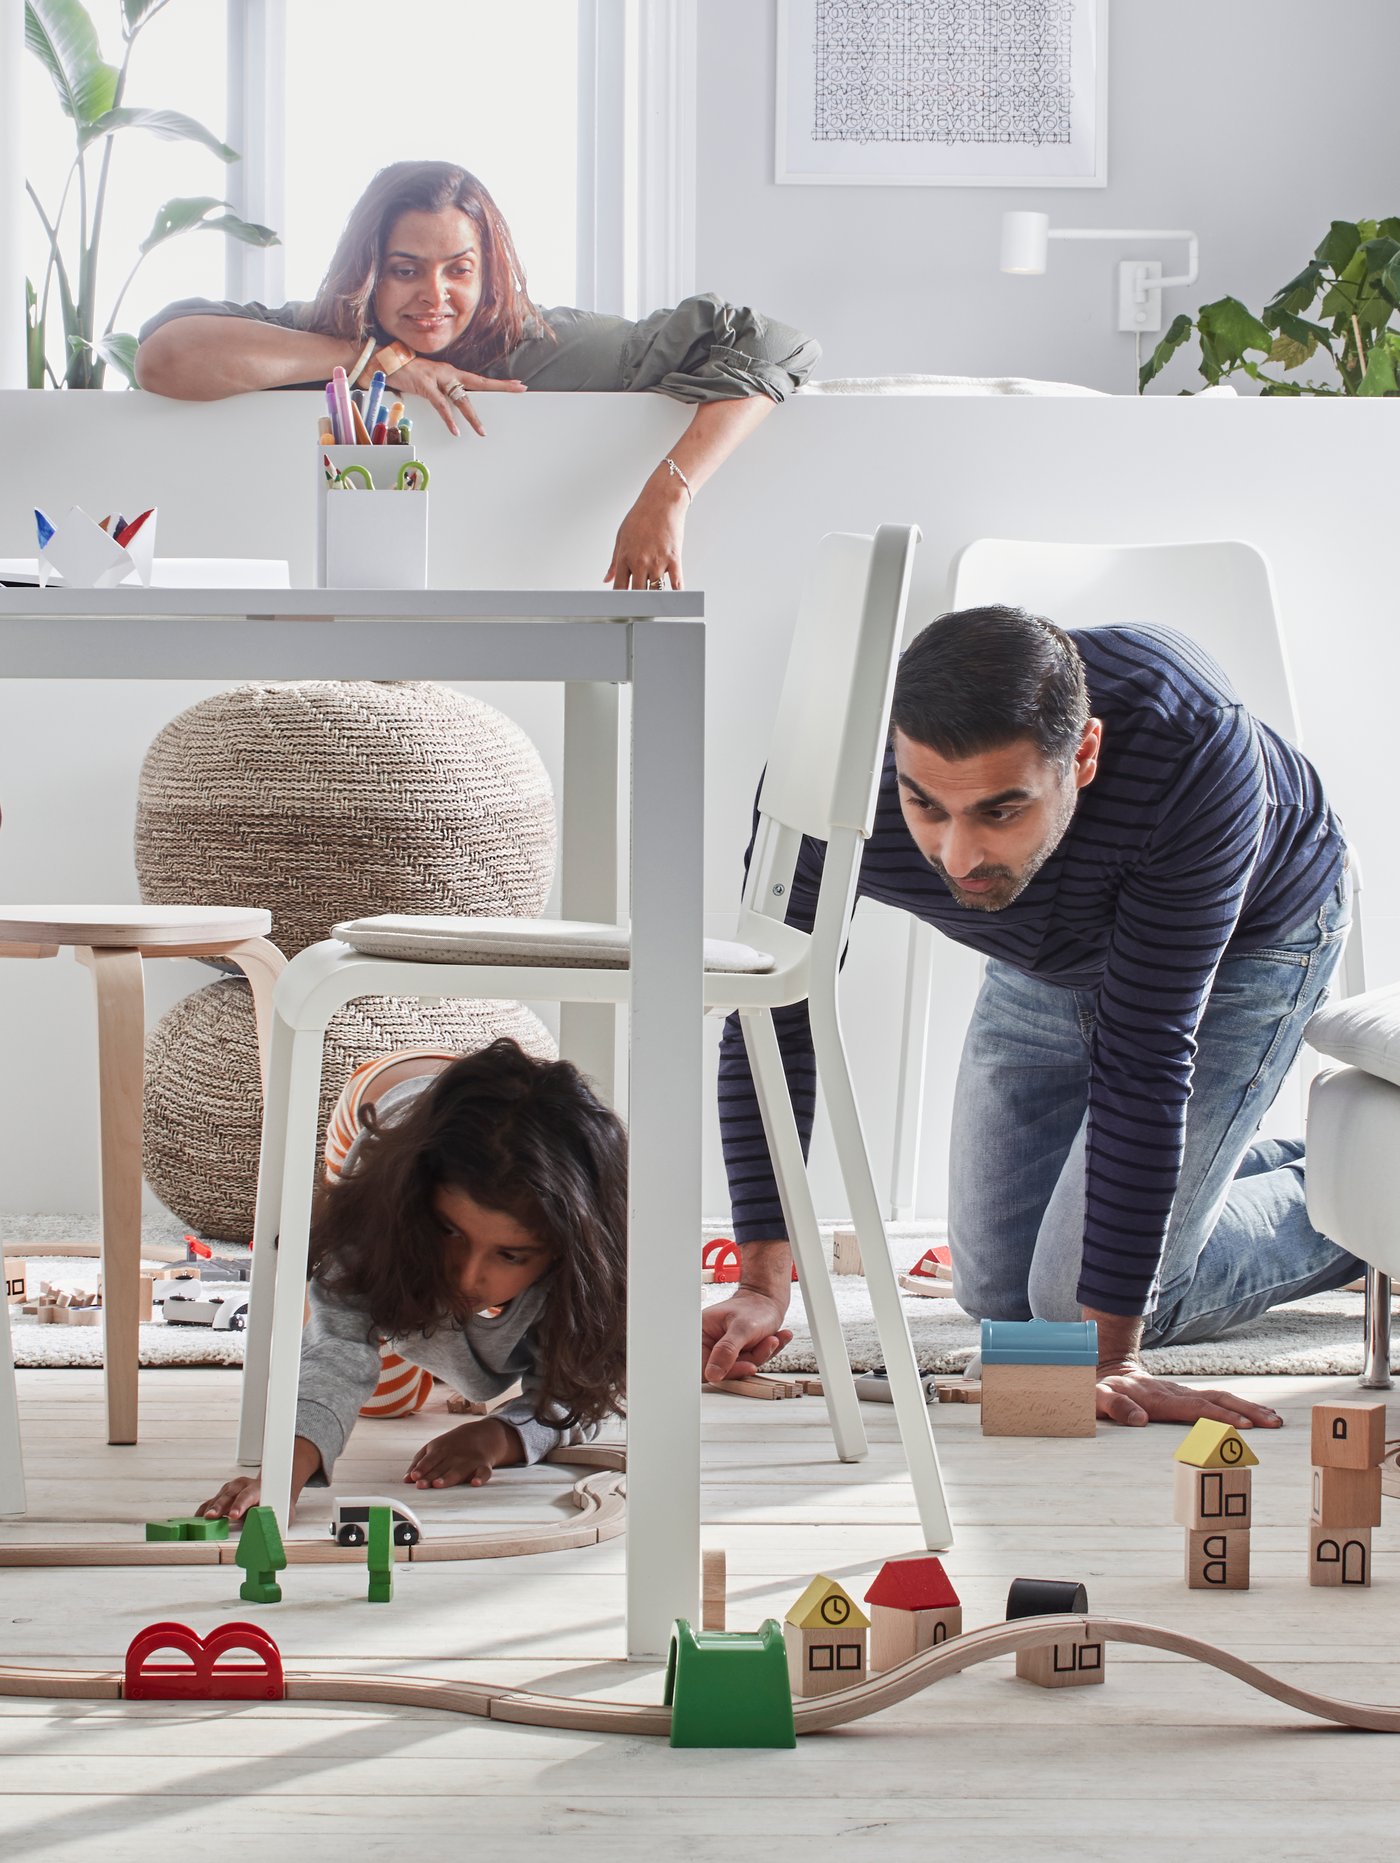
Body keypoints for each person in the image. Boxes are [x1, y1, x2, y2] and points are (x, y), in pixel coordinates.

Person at [704, 607, 1363, 1430]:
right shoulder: (825, 772)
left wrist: (1113, 1355)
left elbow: (1145, 1061)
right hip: (1042, 955)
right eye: (925, 806)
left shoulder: (1194, 751)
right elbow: (774, 1010)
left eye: (999, 811)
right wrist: (763, 1283)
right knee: (998, 1297)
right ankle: (1291, 1165)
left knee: (1069, 1314)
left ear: (1082, 754)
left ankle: (1379, 1191)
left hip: (1248, 939)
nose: (958, 857)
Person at [134, 160, 819, 592]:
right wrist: (376, 362)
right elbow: (165, 355)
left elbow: (773, 345)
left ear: (487, 269)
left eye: (458, 270)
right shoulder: (323, 332)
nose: (434, 296)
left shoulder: (539, 343)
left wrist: (668, 494)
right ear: (368, 271)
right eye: (406, 270)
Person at [198, 1038, 628, 1523]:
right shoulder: (383, 1213)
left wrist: (499, 1435)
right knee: (387, 1398)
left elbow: (579, 1398)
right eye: (450, 1231)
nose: (467, 1277)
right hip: (380, 1107)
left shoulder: (594, 1259)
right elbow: (337, 1352)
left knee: (436, 1354)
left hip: (497, 1123)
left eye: (510, 1254)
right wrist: (282, 1476)